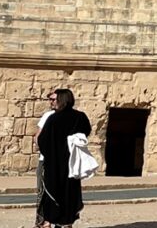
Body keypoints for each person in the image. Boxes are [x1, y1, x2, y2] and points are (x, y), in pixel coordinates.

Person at [37, 89, 92, 228]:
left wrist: (51, 154)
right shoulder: (80, 117)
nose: (52, 102)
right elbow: (86, 132)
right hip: (73, 162)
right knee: (70, 192)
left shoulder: (53, 119)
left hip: (55, 163)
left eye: (55, 100)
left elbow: (42, 140)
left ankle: (53, 220)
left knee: (53, 190)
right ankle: (67, 222)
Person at [34, 92, 57, 228]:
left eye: (53, 99)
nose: (51, 102)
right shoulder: (48, 116)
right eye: (50, 99)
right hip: (47, 160)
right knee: (42, 192)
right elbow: (38, 136)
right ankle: (43, 222)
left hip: (63, 162)